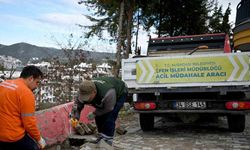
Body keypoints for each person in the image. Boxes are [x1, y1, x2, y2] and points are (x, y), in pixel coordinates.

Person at [71, 77, 128, 146]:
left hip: (120, 91)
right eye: (84, 97)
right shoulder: (82, 91)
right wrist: (75, 117)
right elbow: (78, 107)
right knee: (98, 117)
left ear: (94, 92)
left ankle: (107, 141)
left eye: (88, 97)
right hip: (103, 96)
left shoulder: (108, 93)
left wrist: (94, 113)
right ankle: (101, 136)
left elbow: (108, 108)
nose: (86, 100)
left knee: (110, 117)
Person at [0, 66, 46, 150]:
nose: (37, 86)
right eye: (37, 82)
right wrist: (39, 139)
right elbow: (29, 123)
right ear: (31, 78)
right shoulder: (26, 93)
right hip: (12, 137)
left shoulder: (4, 84)